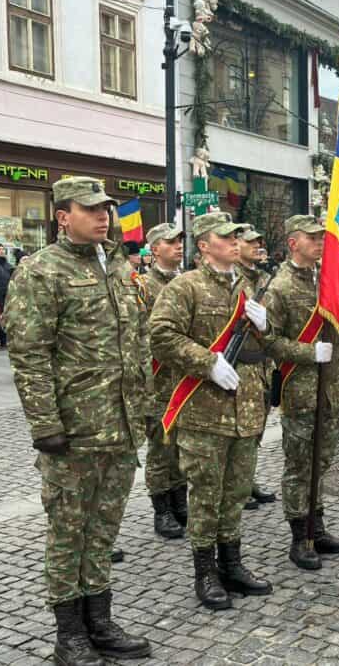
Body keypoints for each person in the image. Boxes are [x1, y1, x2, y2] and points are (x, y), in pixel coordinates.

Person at [2, 177, 152, 662]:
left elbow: (137, 346)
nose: (102, 215)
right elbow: (29, 354)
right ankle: (69, 632)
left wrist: (144, 410)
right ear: (62, 215)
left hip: (121, 427)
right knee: (69, 532)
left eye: (105, 207)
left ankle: (100, 620)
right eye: (89, 208)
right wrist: (45, 426)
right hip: (74, 433)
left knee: (105, 530)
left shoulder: (118, 269)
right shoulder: (41, 271)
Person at [149, 211, 273, 610]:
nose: (236, 241)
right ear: (205, 245)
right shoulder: (186, 287)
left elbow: (258, 349)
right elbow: (161, 335)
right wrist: (207, 363)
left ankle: (232, 564)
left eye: (239, 235)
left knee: (235, 493)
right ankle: (205, 572)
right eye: (227, 236)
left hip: (246, 409)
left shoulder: (246, 286)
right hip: (204, 411)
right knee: (205, 495)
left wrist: (265, 327)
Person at [264, 214, 339, 571]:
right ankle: (299, 537)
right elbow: (268, 340)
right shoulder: (280, 286)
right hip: (301, 390)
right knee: (300, 466)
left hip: (330, 387)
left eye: (322, 238)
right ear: (293, 243)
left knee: (323, 462)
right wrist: (307, 352)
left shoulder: (327, 280)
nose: (320, 243)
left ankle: (318, 528)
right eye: (313, 238)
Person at [140, 222, 190, 541]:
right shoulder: (143, 286)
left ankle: (179, 501)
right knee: (160, 447)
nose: (178, 246)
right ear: (155, 248)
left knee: (182, 446)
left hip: (185, 380)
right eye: (171, 242)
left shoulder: (187, 283)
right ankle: (163, 510)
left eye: (180, 241)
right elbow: (138, 335)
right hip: (157, 382)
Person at [235, 226, 278, 511]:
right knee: (241, 431)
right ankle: (239, 487)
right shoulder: (234, 279)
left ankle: (248, 480)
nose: (257, 246)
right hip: (239, 365)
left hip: (262, 365)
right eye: (251, 242)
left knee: (256, 430)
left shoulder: (263, 277)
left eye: (259, 242)